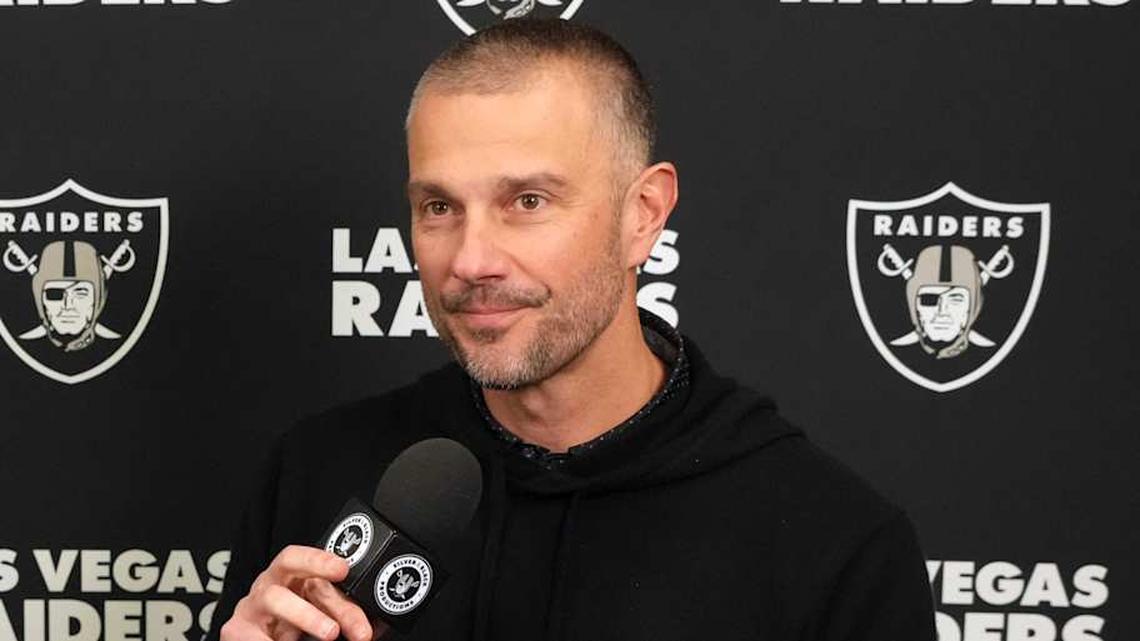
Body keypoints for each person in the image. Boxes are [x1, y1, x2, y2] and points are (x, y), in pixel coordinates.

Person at [208, 19, 936, 641]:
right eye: (438, 207)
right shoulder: (315, 473)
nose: (471, 259)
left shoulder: (835, 544)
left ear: (643, 214)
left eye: (527, 200)